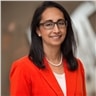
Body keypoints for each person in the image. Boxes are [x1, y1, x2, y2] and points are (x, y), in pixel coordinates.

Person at [10, 1, 87, 96]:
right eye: (49, 24)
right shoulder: (23, 68)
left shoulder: (77, 65)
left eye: (61, 23)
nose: (56, 30)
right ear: (38, 30)